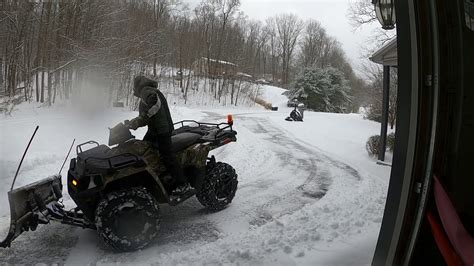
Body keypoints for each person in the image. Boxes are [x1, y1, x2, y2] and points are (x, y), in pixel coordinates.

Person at [124, 76, 191, 195]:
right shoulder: (147, 92)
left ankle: (183, 184)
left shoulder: (147, 91)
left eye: (134, 86)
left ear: (137, 86)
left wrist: (135, 122)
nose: (133, 89)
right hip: (155, 129)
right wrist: (132, 123)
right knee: (146, 150)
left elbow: (153, 105)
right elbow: (145, 117)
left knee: (167, 155)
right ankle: (160, 174)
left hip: (162, 130)